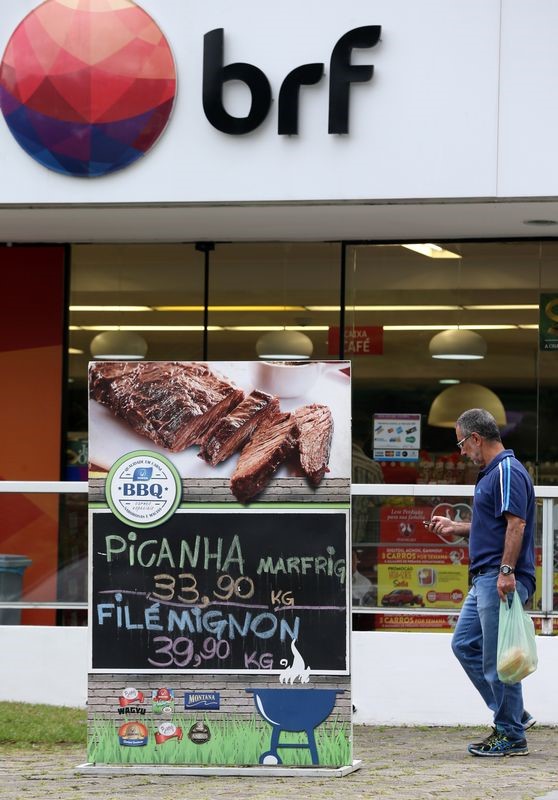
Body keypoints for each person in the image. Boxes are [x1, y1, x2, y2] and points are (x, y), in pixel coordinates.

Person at [428, 408, 536, 758]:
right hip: (486, 578)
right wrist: (457, 528)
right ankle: (513, 714)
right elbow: (493, 525)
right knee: (464, 645)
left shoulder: (505, 470)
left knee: (496, 660)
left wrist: (507, 572)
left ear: (476, 438)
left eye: (461, 442)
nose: (461, 451)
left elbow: (516, 524)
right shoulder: (493, 473)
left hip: (498, 577)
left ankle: (510, 734)